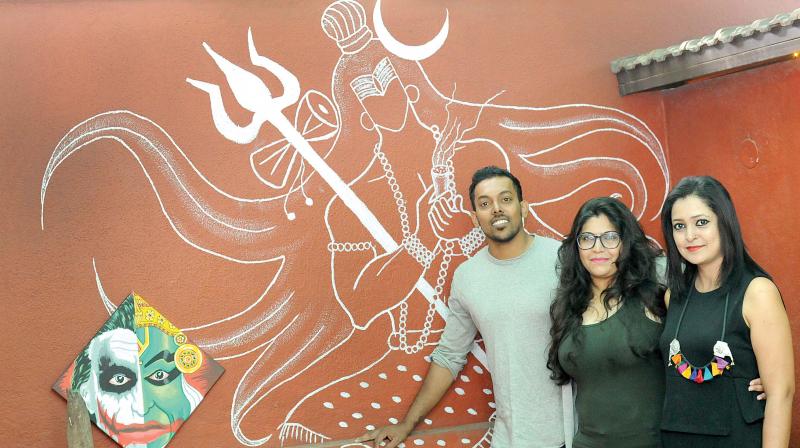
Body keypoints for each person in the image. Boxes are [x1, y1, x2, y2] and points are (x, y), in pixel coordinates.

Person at [357, 165, 571, 447]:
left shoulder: (563, 260)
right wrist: (407, 423)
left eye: (505, 199)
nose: (496, 209)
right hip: (512, 436)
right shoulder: (467, 277)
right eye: (485, 203)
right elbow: (450, 355)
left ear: (524, 207)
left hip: (574, 432)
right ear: (474, 218)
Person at [659, 176, 794, 447]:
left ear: (725, 223)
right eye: (679, 226)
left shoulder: (757, 292)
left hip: (737, 437)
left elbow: (782, 394)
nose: (690, 236)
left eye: (701, 222)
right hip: (676, 436)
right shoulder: (674, 295)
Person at [547, 197, 666, 447]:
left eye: (610, 237)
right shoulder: (567, 307)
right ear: (576, 247)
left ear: (626, 243)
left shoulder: (653, 297)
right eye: (587, 238)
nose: (597, 248)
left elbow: (705, 331)